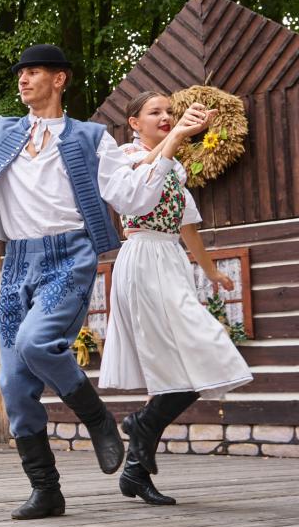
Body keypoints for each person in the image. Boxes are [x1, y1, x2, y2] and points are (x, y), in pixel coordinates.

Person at [0, 44, 210, 520]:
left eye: (33, 71)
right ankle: (46, 489)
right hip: (18, 261)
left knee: (37, 342)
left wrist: (173, 140)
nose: (23, 79)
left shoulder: (92, 138)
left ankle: (97, 419)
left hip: (68, 257)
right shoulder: (1, 131)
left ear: (59, 79)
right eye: (21, 73)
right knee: (13, 384)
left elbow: (131, 195)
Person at [100, 91, 253, 505]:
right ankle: (142, 429)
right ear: (135, 123)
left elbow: (187, 227)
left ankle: (136, 462)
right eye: (155, 112)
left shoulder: (177, 170)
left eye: (170, 111)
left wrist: (211, 271)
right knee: (195, 356)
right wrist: (177, 137)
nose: (166, 116)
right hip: (142, 257)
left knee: (184, 368)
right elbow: (135, 183)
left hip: (170, 260)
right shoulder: (125, 156)